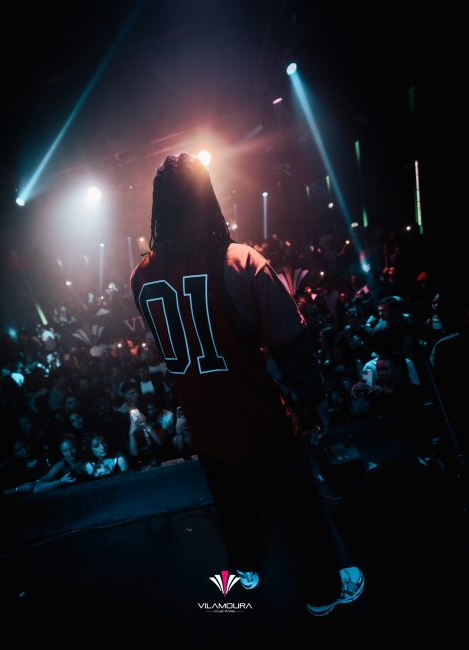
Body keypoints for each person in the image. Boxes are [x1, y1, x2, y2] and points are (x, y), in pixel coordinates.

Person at [130, 153, 364, 616]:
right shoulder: (240, 261)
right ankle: (323, 593)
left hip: (205, 425)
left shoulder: (140, 277)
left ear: (159, 206)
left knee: (232, 502)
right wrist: (313, 400)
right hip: (259, 419)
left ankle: (247, 567)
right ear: (207, 197)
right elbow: (289, 341)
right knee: (297, 506)